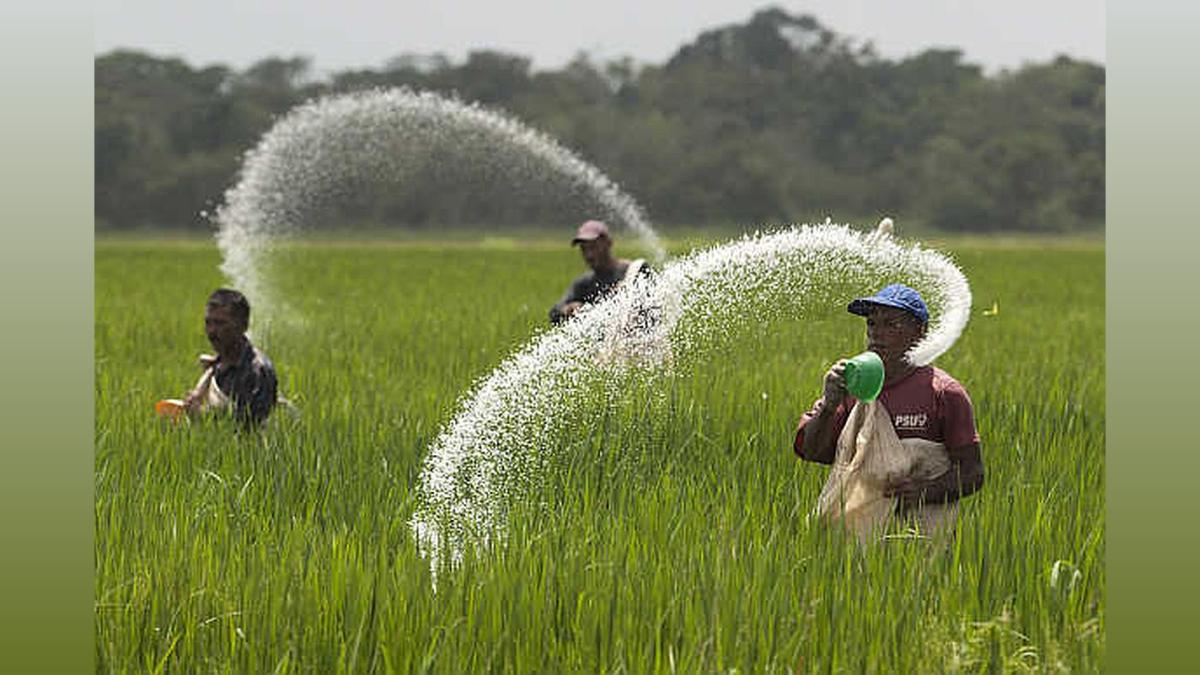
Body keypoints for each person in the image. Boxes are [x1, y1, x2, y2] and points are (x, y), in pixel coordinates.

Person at [793, 283, 984, 521]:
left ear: (920, 332)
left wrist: (923, 491)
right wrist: (829, 406)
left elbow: (972, 473)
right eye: (871, 323)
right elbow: (812, 451)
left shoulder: (944, 393)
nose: (876, 333)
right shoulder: (852, 386)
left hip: (923, 537)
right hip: (857, 540)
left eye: (891, 325)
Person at [181, 288, 278, 426]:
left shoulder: (257, 371)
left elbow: (251, 428)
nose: (212, 331)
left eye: (220, 323)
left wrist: (203, 416)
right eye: (208, 323)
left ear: (243, 326)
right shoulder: (217, 366)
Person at [549, 220, 652, 325]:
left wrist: (626, 295)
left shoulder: (634, 271)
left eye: (594, 247)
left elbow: (652, 311)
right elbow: (554, 313)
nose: (589, 255)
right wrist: (568, 309)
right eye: (584, 249)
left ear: (608, 243)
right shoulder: (584, 284)